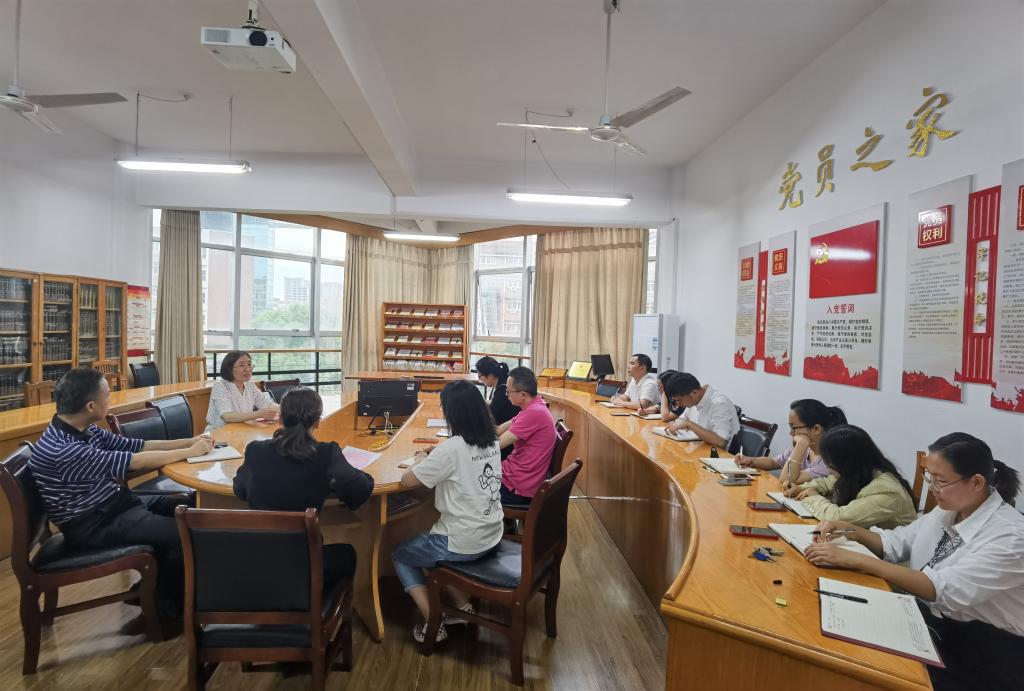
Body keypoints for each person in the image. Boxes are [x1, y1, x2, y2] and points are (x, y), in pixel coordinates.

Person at [805, 433, 1023, 690]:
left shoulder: (1011, 537)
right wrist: (850, 530)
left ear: (976, 482)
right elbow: (897, 543)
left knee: (865, 670)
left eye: (940, 481)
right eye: (930, 478)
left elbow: (944, 591)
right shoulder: (949, 509)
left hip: (986, 654)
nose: (932, 488)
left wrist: (857, 560)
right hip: (932, 623)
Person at [28, 368, 213, 624]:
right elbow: (135, 461)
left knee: (189, 503)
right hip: (94, 524)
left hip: (113, 505)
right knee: (184, 533)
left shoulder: (83, 428)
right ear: (91, 405)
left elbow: (140, 446)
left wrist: (190, 442)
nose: (111, 398)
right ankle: (169, 609)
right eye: (107, 394)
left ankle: (155, 589)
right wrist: (190, 452)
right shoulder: (63, 448)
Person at [393, 380, 504, 644]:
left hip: (464, 542)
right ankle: (462, 607)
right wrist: (437, 456)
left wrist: (422, 459)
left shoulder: (451, 449)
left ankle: (434, 621)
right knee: (428, 545)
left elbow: (407, 481)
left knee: (402, 555)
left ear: (453, 413)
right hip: (492, 532)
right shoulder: (491, 441)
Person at [233, 387, 374, 582]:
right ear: (317, 422)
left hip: (257, 557)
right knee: (346, 553)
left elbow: (240, 489)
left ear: (280, 419)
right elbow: (359, 491)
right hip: (305, 562)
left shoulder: (255, 450)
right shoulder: (326, 453)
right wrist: (338, 482)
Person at [784, 424, 916, 528]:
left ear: (845, 463)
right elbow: (827, 482)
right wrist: (801, 488)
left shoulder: (886, 491)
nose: (827, 466)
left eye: (828, 461)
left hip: (883, 553)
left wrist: (812, 496)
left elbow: (838, 518)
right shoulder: (859, 470)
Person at [736, 399, 846, 489]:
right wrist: (751, 461)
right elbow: (774, 462)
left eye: (794, 428)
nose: (791, 433)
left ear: (816, 429)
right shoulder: (806, 448)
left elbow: (786, 480)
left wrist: (800, 446)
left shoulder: (829, 462)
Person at [496, 366, 557, 506]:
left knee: (468, 484)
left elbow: (497, 444)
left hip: (518, 487)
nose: (506, 394)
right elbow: (498, 430)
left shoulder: (534, 413)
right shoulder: (533, 406)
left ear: (523, 394)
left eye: (509, 391)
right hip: (515, 476)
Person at [205, 351, 279, 432]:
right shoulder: (220, 386)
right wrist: (259, 414)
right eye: (242, 365)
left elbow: (267, 404)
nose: (247, 369)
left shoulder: (249, 384)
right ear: (229, 369)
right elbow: (226, 416)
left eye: (249, 364)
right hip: (219, 433)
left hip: (242, 431)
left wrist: (285, 408)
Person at [664, 372, 740, 449]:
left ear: (694, 393)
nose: (679, 404)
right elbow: (682, 420)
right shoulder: (692, 399)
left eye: (680, 400)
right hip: (699, 447)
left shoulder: (719, 404)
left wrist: (689, 424)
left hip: (717, 453)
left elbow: (721, 441)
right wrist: (676, 425)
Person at [475, 356, 516, 426]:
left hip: (504, 426)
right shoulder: (502, 382)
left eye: (479, 376)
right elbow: (494, 402)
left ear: (490, 375)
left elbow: (492, 415)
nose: (479, 380)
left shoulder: (502, 390)